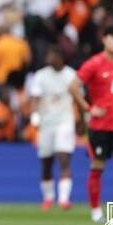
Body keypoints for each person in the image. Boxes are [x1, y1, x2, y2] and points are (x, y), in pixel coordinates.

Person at [69, 24, 113, 222]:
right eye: (112, 37)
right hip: (99, 127)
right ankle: (96, 211)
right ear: (104, 39)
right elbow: (73, 86)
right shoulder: (94, 63)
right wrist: (88, 108)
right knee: (97, 168)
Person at [29, 46, 77, 211]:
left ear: (60, 57)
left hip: (65, 121)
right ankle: (48, 198)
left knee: (64, 158)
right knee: (46, 162)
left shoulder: (71, 75)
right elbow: (35, 98)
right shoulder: (41, 75)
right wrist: (34, 116)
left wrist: (81, 120)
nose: (49, 58)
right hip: (46, 123)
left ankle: (64, 199)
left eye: (52, 55)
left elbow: (78, 97)